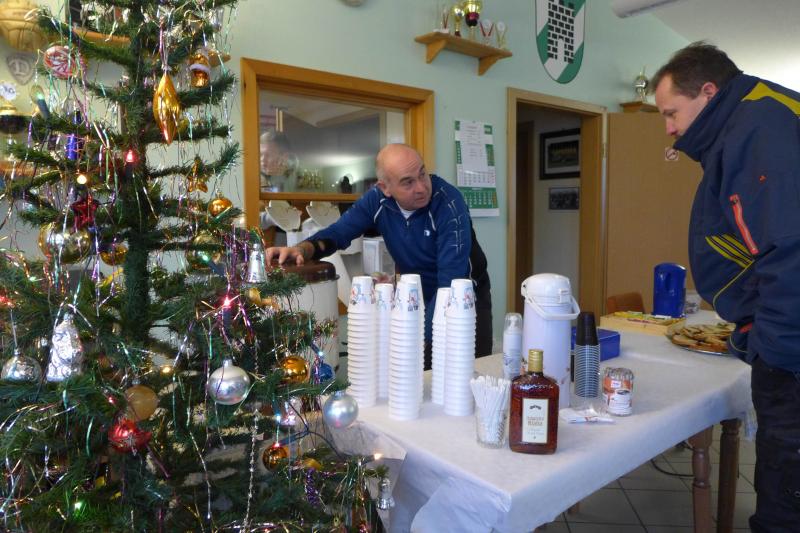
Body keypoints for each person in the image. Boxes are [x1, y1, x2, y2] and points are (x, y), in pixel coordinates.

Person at [652, 42, 800, 532]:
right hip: (781, 335)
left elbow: (789, 248)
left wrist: (772, 349)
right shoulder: (758, 115)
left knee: (786, 498)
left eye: (671, 112)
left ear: (709, 92)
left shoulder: (758, 130)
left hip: (791, 353)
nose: (669, 128)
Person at [266, 143, 493, 367]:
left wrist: (420, 339)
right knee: (417, 372)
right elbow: (338, 233)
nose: (422, 187)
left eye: (422, 174)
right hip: (417, 293)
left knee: (469, 368)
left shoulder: (448, 203)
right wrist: (302, 249)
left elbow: (450, 282)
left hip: (465, 295)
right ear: (385, 188)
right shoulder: (377, 201)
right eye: (408, 182)